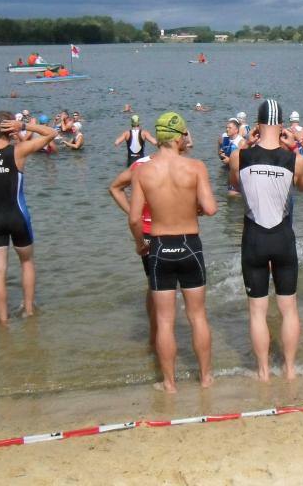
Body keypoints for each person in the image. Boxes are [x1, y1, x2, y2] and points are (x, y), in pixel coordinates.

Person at [128, 111, 217, 393]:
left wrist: (139, 244)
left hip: (159, 247)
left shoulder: (142, 171)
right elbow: (211, 208)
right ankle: (205, 378)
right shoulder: (196, 167)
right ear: (179, 138)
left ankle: (169, 384)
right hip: (190, 245)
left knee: (165, 321)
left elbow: (134, 218)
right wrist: (193, 206)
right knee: (197, 316)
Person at [228, 99, 303, 381]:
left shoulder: (239, 156)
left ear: (257, 125)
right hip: (282, 238)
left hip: (254, 238)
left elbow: (235, 183)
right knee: (289, 309)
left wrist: (246, 144)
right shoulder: (295, 160)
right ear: (282, 126)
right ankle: (290, 370)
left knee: (257, 311)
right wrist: (293, 147)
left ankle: (263, 373)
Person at [0, 112, 58, 324]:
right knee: (27, 262)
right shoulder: (19, 151)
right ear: (11, 129)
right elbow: (52, 133)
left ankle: (3, 323)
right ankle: (28, 312)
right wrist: (23, 126)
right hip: (18, 216)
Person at [109, 155, 157, 348]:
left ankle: (154, 339)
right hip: (156, 230)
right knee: (158, 286)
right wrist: (132, 212)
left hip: (149, 232)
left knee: (155, 285)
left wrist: (134, 214)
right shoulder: (142, 164)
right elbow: (115, 188)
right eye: (185, 140)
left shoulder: (141, 165)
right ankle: (156, 337)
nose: (187, 142)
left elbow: (114, 188)